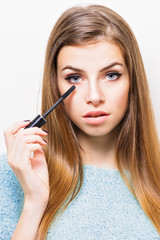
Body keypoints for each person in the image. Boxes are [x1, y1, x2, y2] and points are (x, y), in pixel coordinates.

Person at [1, 4, 160, 240]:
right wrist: (34, 204)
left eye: (111, 75)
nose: (94, 96)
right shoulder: (16, 172)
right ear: (55, 85)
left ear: (132, 81)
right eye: (75, 78)